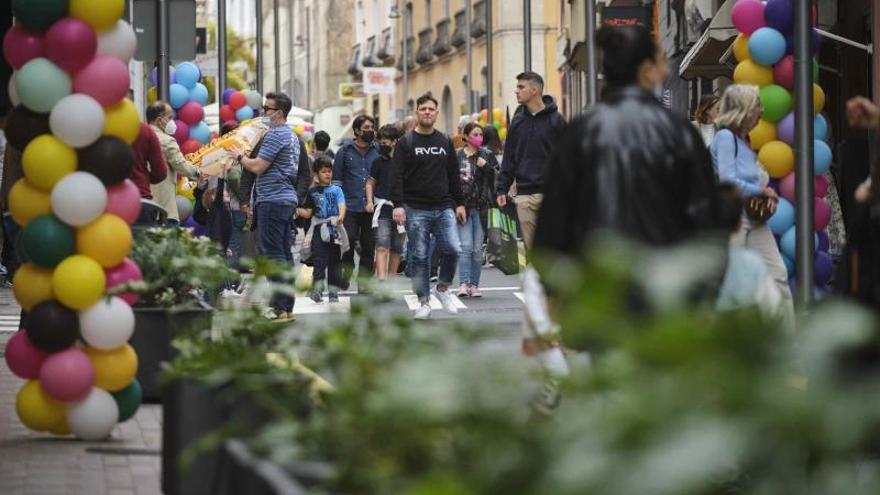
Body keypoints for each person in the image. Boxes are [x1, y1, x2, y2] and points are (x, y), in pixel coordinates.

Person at [535, 24, 720, 256]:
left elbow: (552, 226)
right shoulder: (677, 130)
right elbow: (705, 218)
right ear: (646, 69)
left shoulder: (580, 131)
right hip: (666, 278)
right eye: (662, 61)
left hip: (596, 282)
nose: (666, 71)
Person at [711, 84, 794, 322]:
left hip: (754, 218)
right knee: (731, 282)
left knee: (778, 274)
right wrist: (762, 191)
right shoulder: (726, 138)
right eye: (758, 105)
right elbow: (728, 181)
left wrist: (762, 195)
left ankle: (786, 340)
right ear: (745, 109)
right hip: (733, 219)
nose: (762, 110)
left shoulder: (743, 139)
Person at [391, 93, 465, 320]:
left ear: (436, 113)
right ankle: (423, 301)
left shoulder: (444, 141)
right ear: (417, 112)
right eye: (423, 109)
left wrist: (460, 203)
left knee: (453, 248)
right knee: (420, 257)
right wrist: (398, 205)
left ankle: (442, 288)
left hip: (443, 206)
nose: (427, 112)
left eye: (431, 109)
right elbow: (396, 176)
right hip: (415, 208)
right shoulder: (406, 143)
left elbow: (454, 174)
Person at [233, 92, 299, 321]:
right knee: (283, 254)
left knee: (273, 255)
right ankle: (286, 305)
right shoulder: (291, 136)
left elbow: (258, 167)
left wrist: (240, 157)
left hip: (272, 200)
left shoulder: (275, 135)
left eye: (267, 109)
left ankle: (280, 306)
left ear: (279, 113)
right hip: (285, 200)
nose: (263, 113)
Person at [495, 71, 567, 250]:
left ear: (535, 90)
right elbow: (509, 159)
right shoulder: (517, 123)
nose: (516, 91)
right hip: (524, 197)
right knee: (533, 252)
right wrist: (501, 189)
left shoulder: (556, 121)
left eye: (521, 87)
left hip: (551, 195)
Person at [715, 182, 782, 316]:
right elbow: (727, 176)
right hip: (740, 212)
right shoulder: (752, 263)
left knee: (780, 274)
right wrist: (761, 191)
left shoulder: (753, 263)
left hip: (752, 216)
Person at [333, 115, 380, 291]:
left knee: (369, 247)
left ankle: (364, 282)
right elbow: (336, 183)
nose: (370, 130)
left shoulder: (377, 152)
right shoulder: (344, 152)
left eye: (372, 127)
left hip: (371, 207)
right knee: (348, 242)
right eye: (366, 127)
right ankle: (347, 270)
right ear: (357, 130)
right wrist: (334, 208)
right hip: (348, 207)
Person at [455, 122, 497, 297]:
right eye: (475, 134)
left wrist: (484, 166)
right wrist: (455, 204)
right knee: (466, 247)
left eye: (481, 134)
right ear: (465, 136)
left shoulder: (486, 154)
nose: (478, 137)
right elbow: (451, 180)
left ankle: (474, 285)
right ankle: (463, 284)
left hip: (481, 207)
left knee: (478, 249)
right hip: (464, 207)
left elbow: (497, 175)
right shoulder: (457, 156)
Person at [298, 156, 346, 303]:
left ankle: (333, 292)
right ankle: (317, 290)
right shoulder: (312, 192)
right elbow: (308, 212)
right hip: (318, 230)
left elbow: (342, 205)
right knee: (319, 261)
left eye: (329, 171)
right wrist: (297, 210)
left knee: (335, 262)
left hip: (335, 231)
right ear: (317, 174)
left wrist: (341, 216)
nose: (327, 174)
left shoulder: (337, 190)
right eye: (324, 171)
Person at [146, 101, 201, 224]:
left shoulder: (140, 136)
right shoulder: (167, 141)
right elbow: (181, 165)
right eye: (170, 118)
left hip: (144, 204)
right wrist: (199, 172)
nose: (173, 122)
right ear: (159, 120)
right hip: (163, 208)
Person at [366, 124, 405, 283]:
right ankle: (381, 279)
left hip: (402, 207)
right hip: (382, 207)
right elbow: (370, 183)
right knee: (382, 244)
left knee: (397, 247)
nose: (382, 146)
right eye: (380, 143)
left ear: (395, 142)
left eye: (385, 142)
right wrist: (369, 201)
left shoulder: (404, 161)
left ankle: (390, 281)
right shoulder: (378, 162)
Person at [130, 123, 168, 199]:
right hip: (140, 193)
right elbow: (160, 173)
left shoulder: (102, 128)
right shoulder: (144, 130)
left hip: (106, 196)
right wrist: (143, 177)